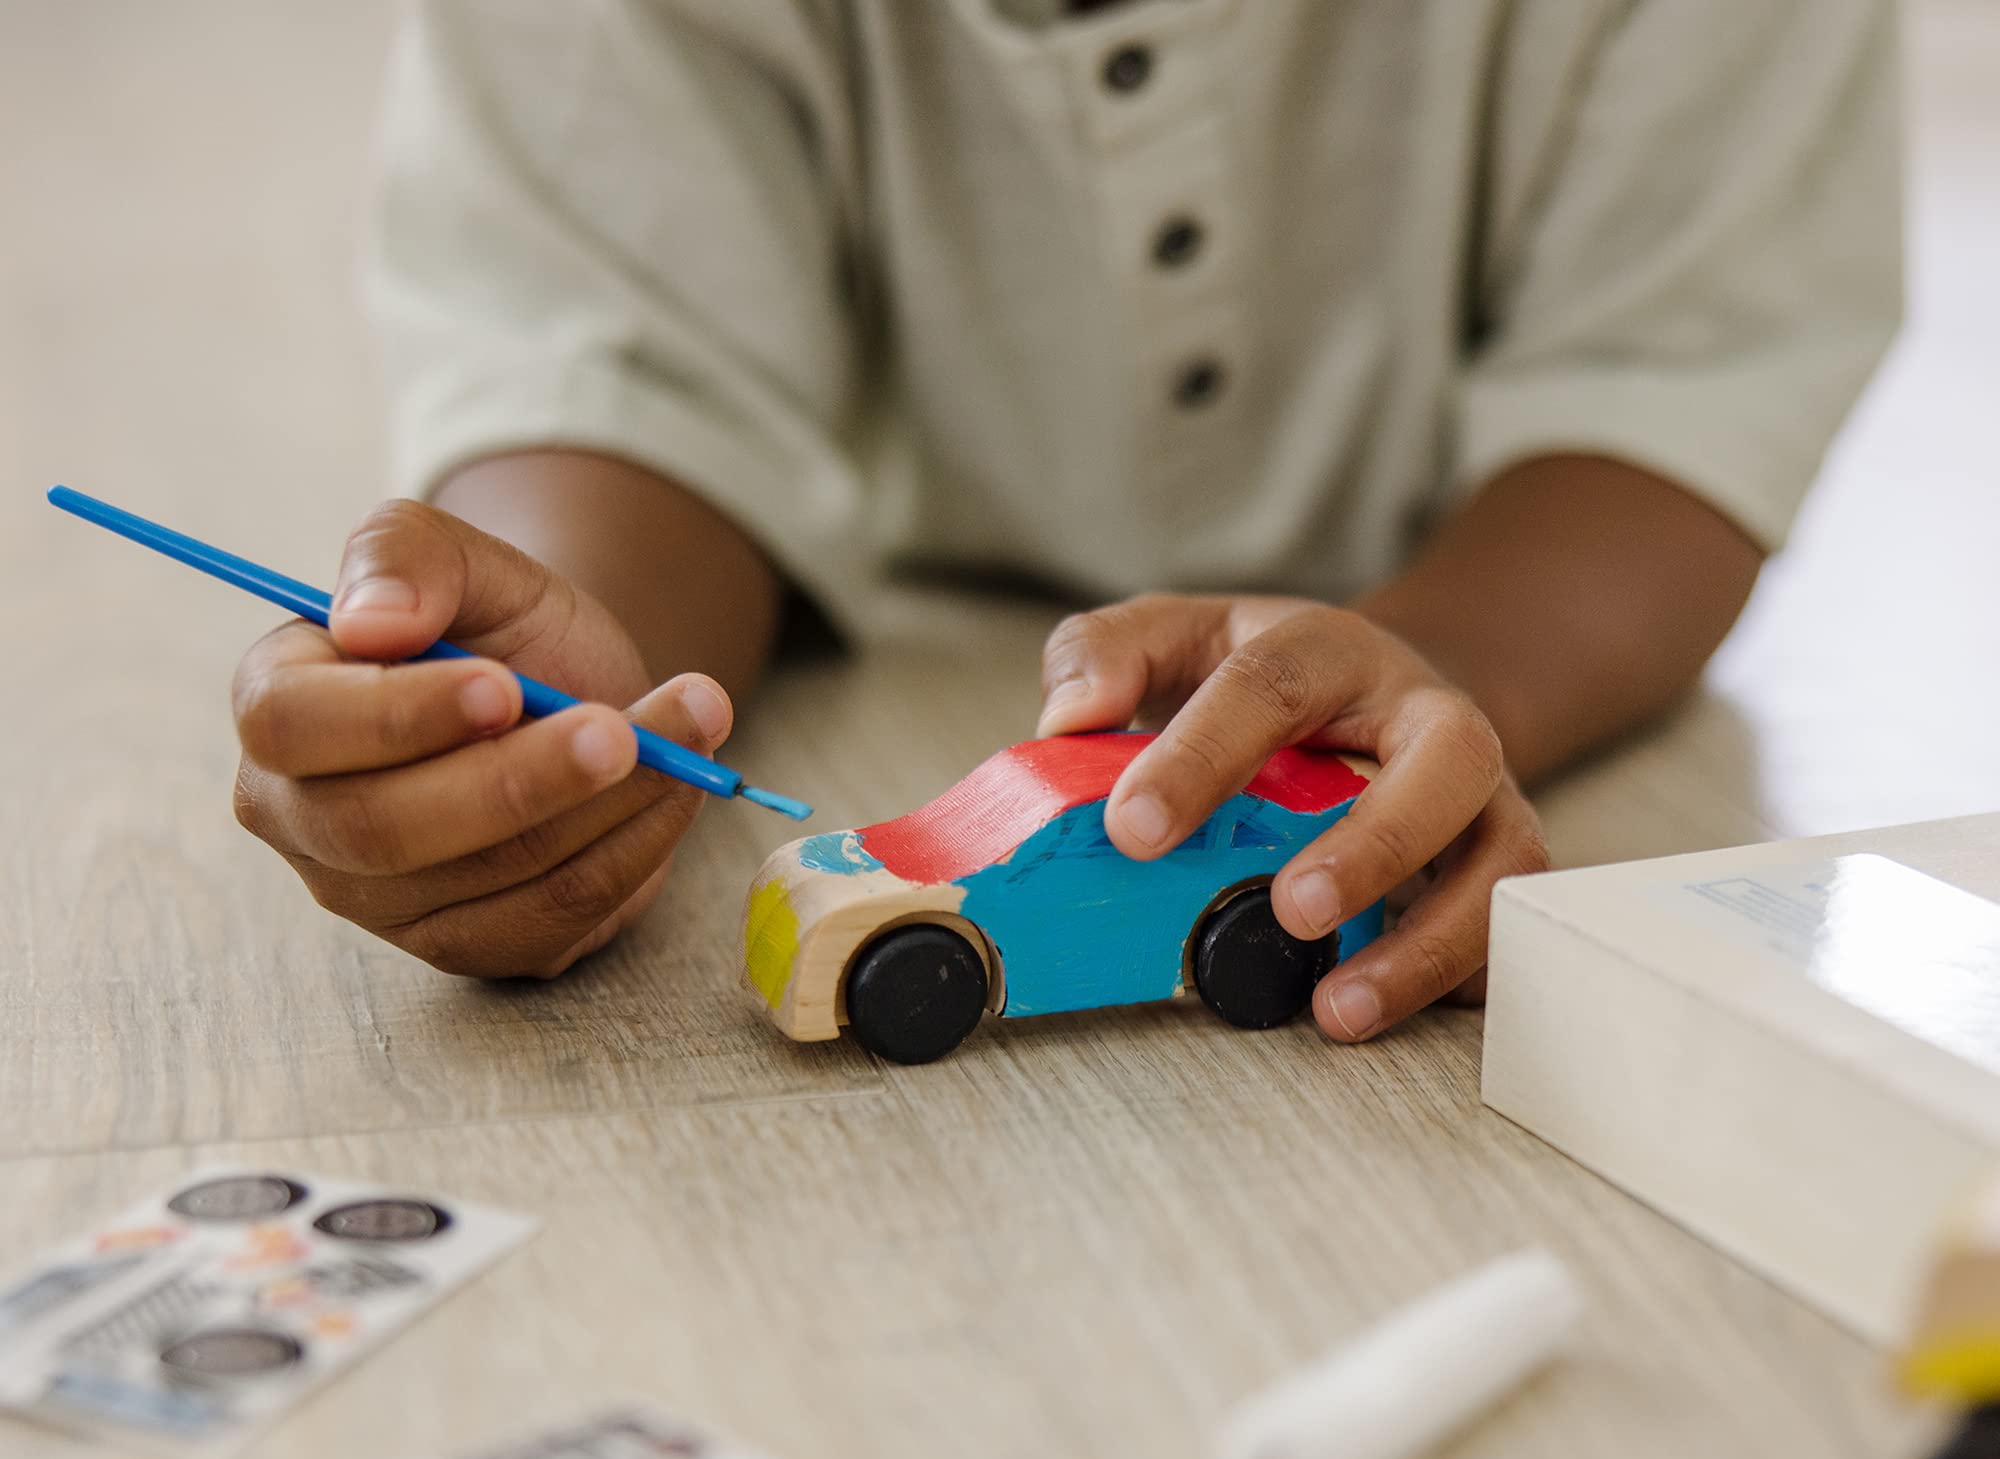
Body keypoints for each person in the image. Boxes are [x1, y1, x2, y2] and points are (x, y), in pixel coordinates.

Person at [229, 0, 1900, 1039]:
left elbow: (1680, 372)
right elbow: (616, 353)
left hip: (1491, 611)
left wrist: (1441, 669)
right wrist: (548, 680)